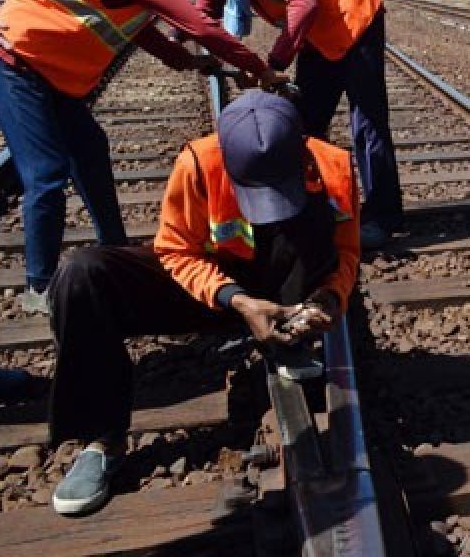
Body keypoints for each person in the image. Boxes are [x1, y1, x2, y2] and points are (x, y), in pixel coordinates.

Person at [46, 90, 360, 516]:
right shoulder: (199, 162)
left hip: (283, 288)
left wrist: (329, 297)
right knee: (81, 274)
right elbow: (175, 251)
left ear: (303, 150)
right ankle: (101, 440)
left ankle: (289, 337)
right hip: (213, 290)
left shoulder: (334, 166)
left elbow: (346, 254)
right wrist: (236, 299)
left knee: (313, 224)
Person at [0, 0, 284, 313]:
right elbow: (196, 24)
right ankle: (41, 286)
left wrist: (190, 61)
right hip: (15, 56)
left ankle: (116, 251)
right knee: (46, 175)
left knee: (90, 151)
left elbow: (139, 29)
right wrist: (258, 68)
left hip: (48, 66)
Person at [197, 0, 403, 250]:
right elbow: (203, 10)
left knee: (367, 122)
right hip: (317, 35)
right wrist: (184, 40)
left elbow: (303, 1)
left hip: (354, 19)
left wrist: (273, 64)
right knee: (306, 121)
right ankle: (311, 209)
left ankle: (384, 217)